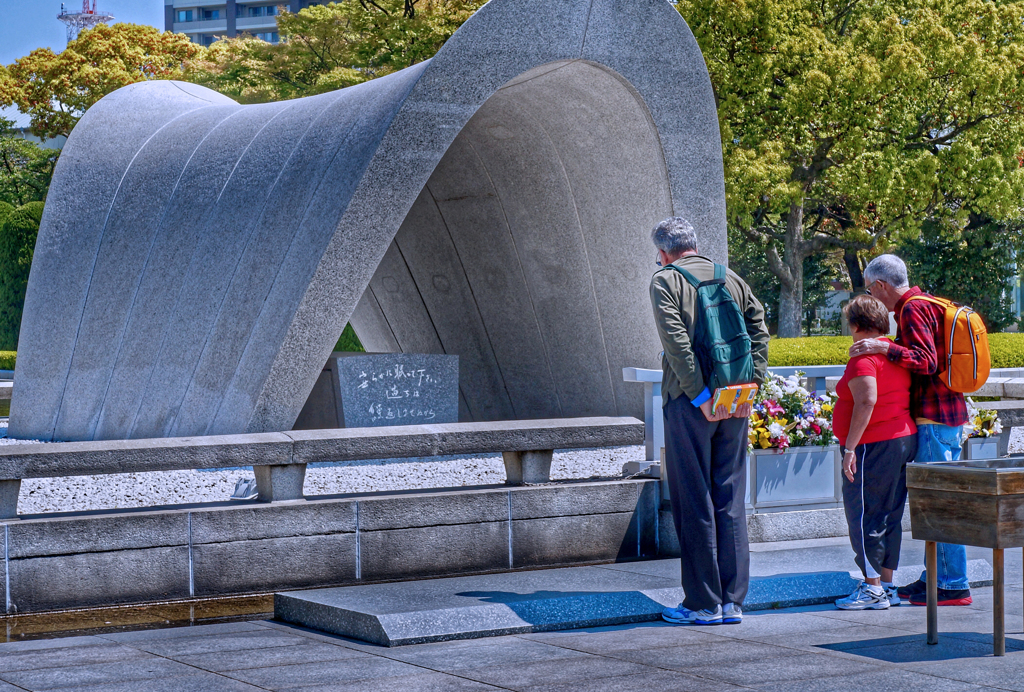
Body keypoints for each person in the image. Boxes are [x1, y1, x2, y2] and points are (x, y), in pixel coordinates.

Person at [649, 217, 770, 625]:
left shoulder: (665, 281)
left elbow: (677, 344)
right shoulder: (731, 277)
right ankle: (733, 601)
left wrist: (700, 396)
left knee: (693, 497)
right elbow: (759, 332)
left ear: (663, 252)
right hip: (735, 399)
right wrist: (752, 386)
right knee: (729, 495)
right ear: (695, 245)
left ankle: (703, 602)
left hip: (690, 403)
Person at [849, 254, 972, 606]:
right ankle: (940, 575)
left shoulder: (911, 309)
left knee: (937, 501)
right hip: (947, 415)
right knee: (940, 499)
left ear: (881, 285)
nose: (872, 296)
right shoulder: (928, 302)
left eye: (870, 289)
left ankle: (951, 583)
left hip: (933, 417)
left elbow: (926, 360)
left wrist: (885, 346)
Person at [833, 295, 917, 610]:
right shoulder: (893, 352)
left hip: (873, 444)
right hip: (902, 439)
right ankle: (887, 584)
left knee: (865, 515)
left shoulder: (863, 357)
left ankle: (872, 588)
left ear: (855, 324)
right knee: (890, 515)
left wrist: (850, 448)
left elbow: (867, 400)